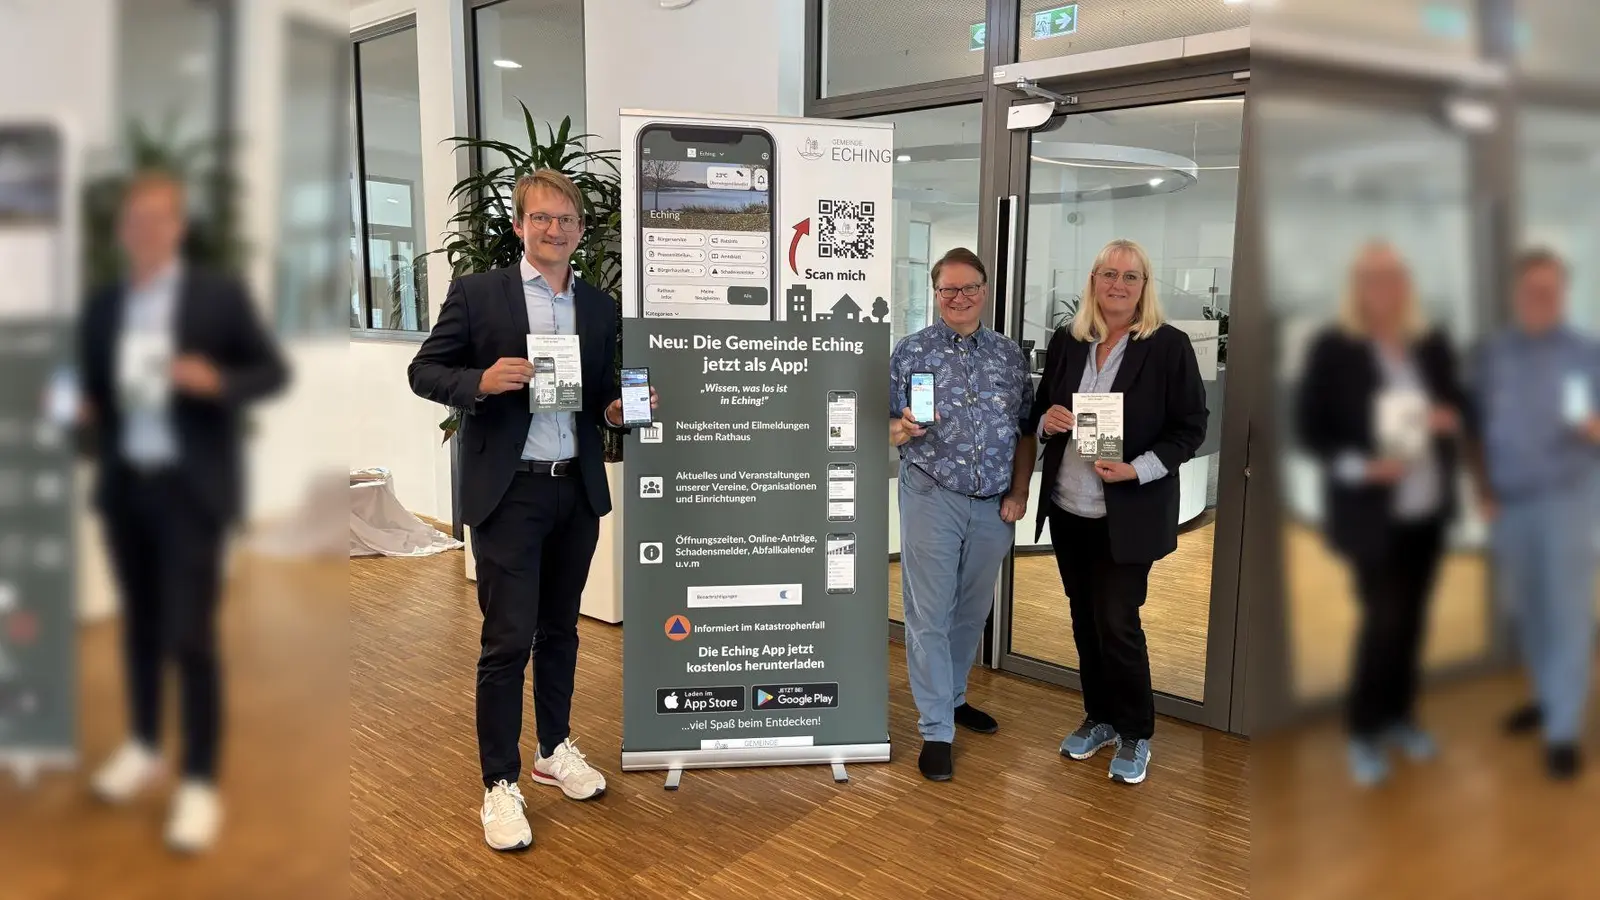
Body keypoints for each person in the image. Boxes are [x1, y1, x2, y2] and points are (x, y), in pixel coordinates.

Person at [409, 169, 653, 851]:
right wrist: (478, 382)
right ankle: (499, 783)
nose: (554, 230)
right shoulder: (478, 294)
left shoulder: (598, 307)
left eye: (566, 220)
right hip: (508, 491)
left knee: (560, 631)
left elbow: (601, 395)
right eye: (541, 218)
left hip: (573, 489)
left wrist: (620, 410)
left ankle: (553, 749)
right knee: (506, 641)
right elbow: (424, 369)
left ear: (580, 229)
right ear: (519, 226)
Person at [79, 170, 289, 851]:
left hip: (191, 493)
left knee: (192, 637)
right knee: (138, 626)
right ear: (123, 230)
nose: (145, 230)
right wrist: (83, 411)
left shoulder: (216, 298)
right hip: (125, 487)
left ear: (178, 227)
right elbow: (87, 391)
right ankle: (144, 746)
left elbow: (270, 371)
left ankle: (198, 780)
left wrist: (216, 380)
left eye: (158, 218)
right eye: (134, 219)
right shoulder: (105, 306)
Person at [1027, 238, 1207, 785]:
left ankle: (1135, 732)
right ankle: (1099, 717)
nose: (1118, 286)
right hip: (1068, 508)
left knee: (1117, 621)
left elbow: (1190, 429)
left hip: (1127, 514)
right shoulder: (1068, 341)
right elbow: (1038, 412)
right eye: (1109, 274)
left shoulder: (1168, 346)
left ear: (1145, 287)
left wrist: (1137, 469)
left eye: (1131, 277)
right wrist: (1047, 422)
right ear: (1093, 281)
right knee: (1084, 619)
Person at [1296, 242, 1465, 786]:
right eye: (1372, 278)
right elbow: (1310, 429)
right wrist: (1361, 467)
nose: (1383, 288)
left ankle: (1401, 718)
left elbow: (1465, 406)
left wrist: (1448, 417)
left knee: (1414, 621)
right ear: (1357, 286)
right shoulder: (1334, 348)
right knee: (1384, 621)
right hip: (1373, 515)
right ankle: (1365, 730)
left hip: (1428, 510)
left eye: (1392, 277)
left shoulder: (1430, 344)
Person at [889, 247, 1034, 782]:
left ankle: (952, 699)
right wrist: (901, 429)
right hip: (932, 495)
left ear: (985, 290)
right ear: (935, 293)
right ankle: (935, 731)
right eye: (948, 289)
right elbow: (881, 425)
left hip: (995, 503)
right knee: (930, 614)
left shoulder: (1009, 356)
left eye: (969, 288)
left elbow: (1025, 431)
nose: (959, 298)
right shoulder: (910, 352)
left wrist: (1019, 492)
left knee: (971, 612)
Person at [1468, 248, 1600, 781]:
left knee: (1566, 612)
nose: (1539, 299)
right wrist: (1482, 488)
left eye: (1549, 291)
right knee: (1529, 609)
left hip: (1567, 501)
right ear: (1516, 295)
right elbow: (1475, 427)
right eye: (1530, 291)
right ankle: (1547, 699)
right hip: (1510, 504)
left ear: (1562, 295)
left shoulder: (1587, 354)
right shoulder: (1494, 354)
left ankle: (1563, 731)